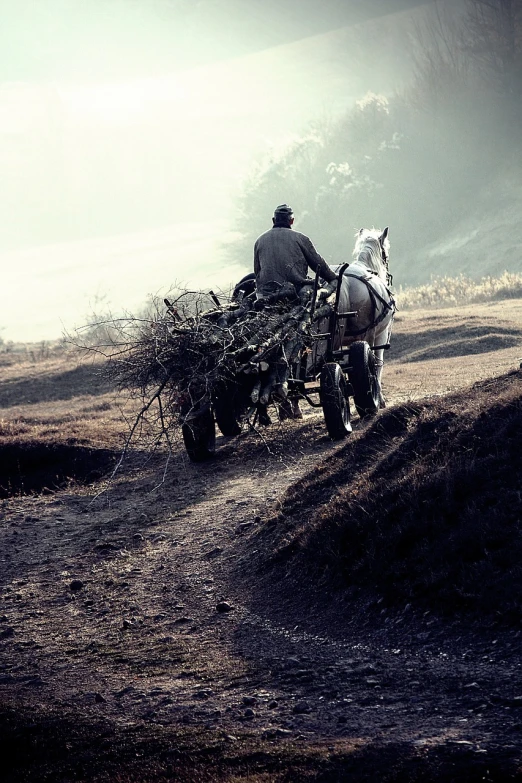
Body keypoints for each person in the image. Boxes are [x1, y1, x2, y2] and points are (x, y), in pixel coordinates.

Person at [254, 204, 337, 299]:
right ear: (292, 221)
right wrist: (332, 277)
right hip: (296, 292)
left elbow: (257, 271)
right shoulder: (300, 238)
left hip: (266, 293)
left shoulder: (259, 241)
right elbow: (317, 264)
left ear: (273, 220)